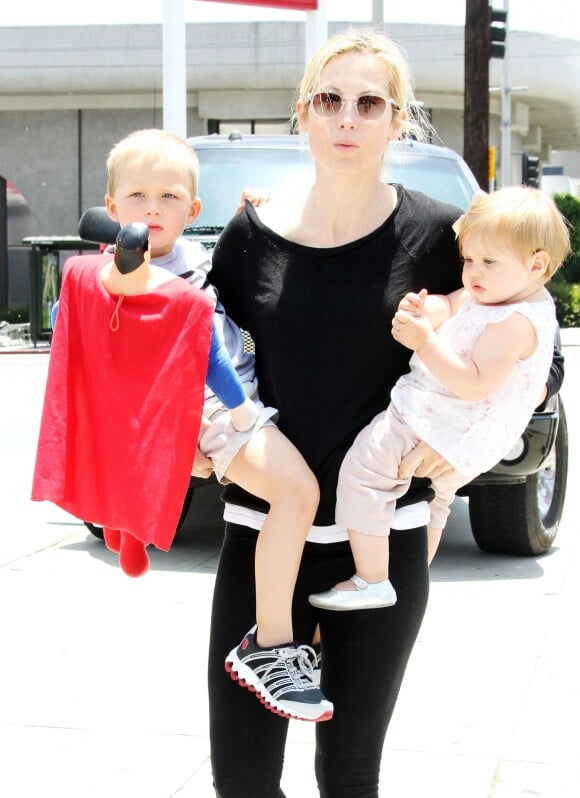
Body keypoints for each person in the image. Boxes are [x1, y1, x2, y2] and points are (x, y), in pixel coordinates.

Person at [203, 28, 564, 797]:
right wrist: (197, 444)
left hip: (384, 547)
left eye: (370, 103)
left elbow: (539, 346)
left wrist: (465, 448)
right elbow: (199, 358)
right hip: (261, 537)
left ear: (397, 120)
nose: (348, 118)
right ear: (302, 113)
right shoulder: (247, 235)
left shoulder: (442, 236)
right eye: (330, 100)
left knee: (350, 773)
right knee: (240, 778)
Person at [39, 129, 332, 721]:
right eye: (138, 196)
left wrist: (261, 212)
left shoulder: (206, 259)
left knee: (296, 492)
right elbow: (74, 323)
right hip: (193, 409)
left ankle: (138, 541)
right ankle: (271, 643)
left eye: (170, 197)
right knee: (297, 492)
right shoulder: (100, 271)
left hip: (221, 405)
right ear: (111, 205)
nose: (152, 208)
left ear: (194, 210)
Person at [308, 186, 570, 612]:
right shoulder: (495, 291)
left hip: (439, 420)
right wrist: (423, 311)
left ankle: (371, 578)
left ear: (536, 264)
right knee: (435, 505)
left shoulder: (515, 322)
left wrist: (424, 341)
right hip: (451, 427)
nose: (472, 272)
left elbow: (474, 383)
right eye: (467, 260)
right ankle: (410, 585)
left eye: (487, 261)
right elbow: (450, 305)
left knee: (362, 472)